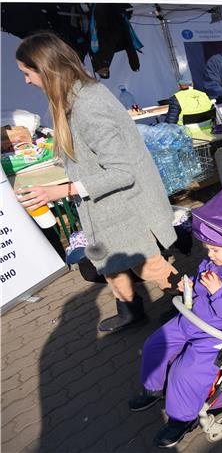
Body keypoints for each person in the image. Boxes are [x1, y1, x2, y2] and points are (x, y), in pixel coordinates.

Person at [15, 31, 177, 332]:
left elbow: (121, 171)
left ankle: (196, 307)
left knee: (149, 265)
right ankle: (131, 312)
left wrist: (61, 190)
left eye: (27, 73)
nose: (25, 81)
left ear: (45, 68)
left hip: (123, 206)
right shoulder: (74, 97)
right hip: (103, 208)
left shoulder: (87, 103)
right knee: (107, 260)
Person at [128, 181, 222, 448]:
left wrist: (217, 292)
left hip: (217, 333)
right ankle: (152, 388)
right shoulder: (215, 260)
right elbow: (202, 279)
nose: (209, 255)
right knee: (155, 344)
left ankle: (180, 419)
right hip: (191, 318)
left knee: (186, 372)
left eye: (215, 250)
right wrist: (190, 283)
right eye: (207, 249)